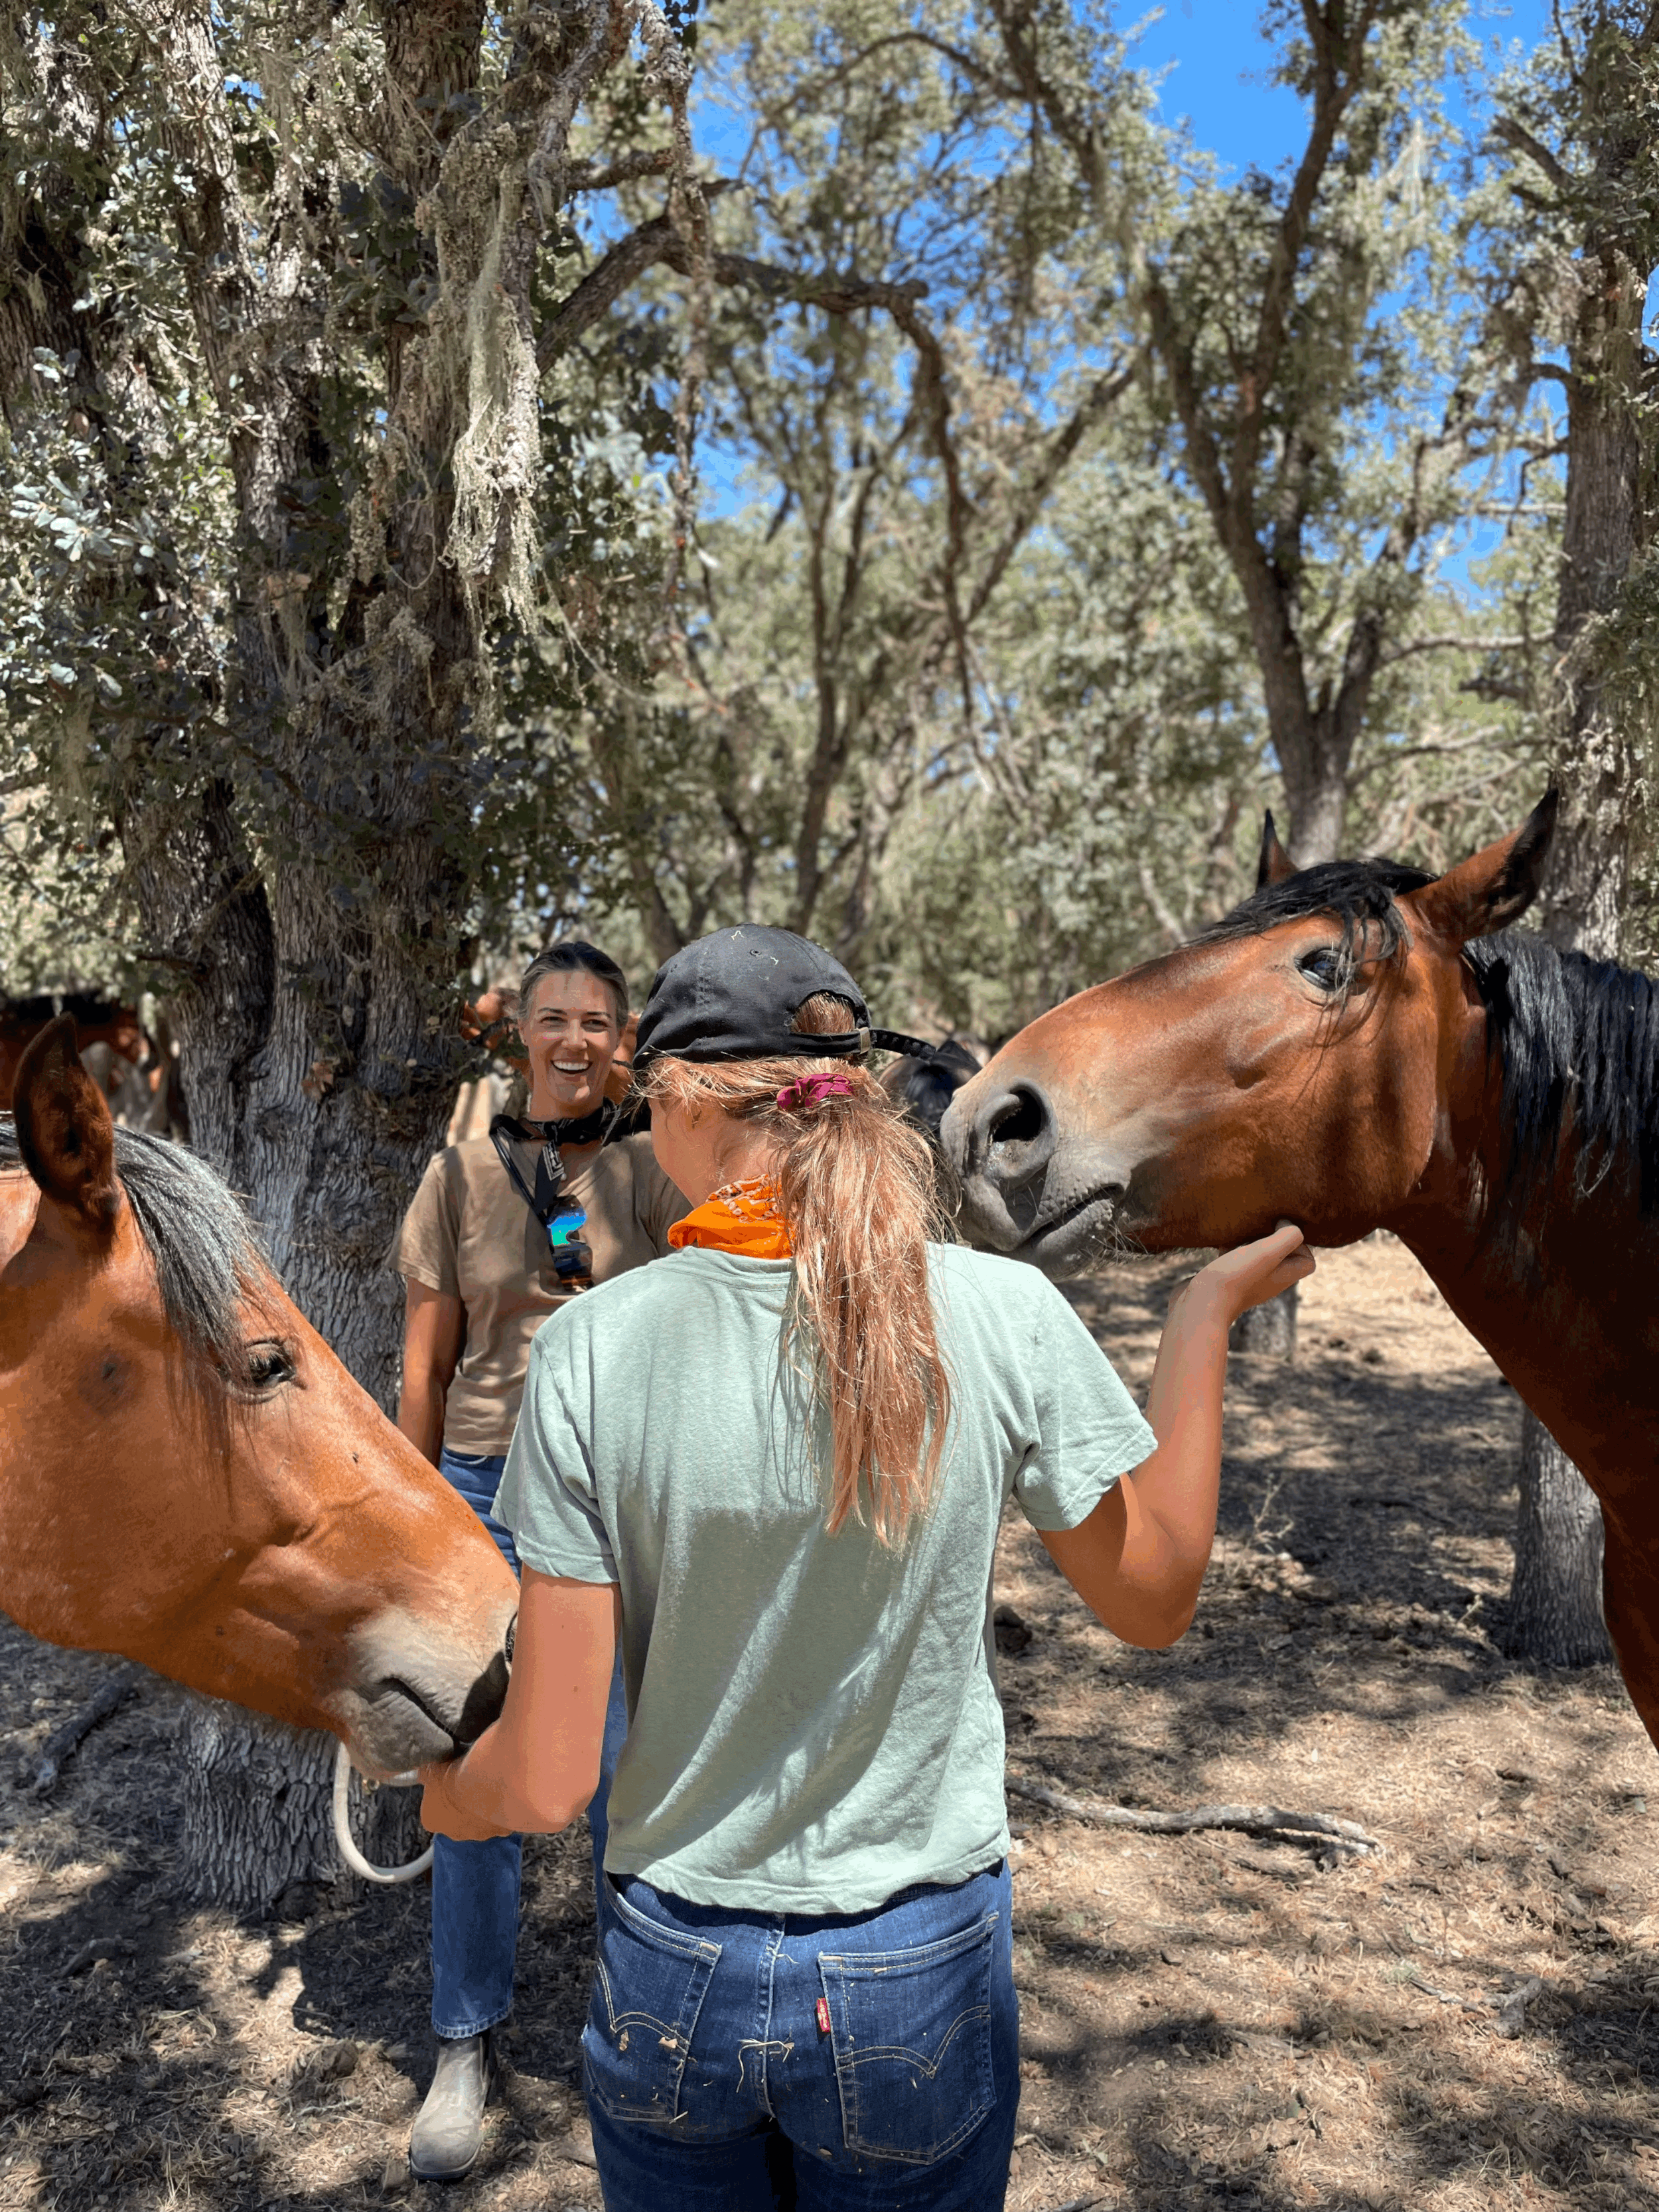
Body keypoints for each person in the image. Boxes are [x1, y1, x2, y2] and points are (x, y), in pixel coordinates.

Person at [416, 924, 1313, 2211]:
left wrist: (449, 1793)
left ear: (672, 1102)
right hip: (919, 1968)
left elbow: (550, 1773)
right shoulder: (999, 1315)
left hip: (678, 1968)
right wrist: (1200, 1317)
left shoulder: (592, 1352)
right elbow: (1155, 1591)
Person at [394, 939, 687, 2182]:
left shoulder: (661, 1171)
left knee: (629, 1775)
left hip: (619, 1503)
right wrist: (407, 1523)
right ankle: (465, 2043)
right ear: (520, 1035)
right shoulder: (459, 1176)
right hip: (478, 1498)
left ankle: (637, 2034)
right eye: (554, 1019)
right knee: (478, 1786)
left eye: (599, 1023)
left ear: (627, 1042)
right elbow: (424, 1361)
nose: (576, 1041)